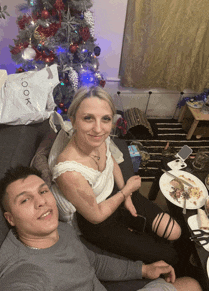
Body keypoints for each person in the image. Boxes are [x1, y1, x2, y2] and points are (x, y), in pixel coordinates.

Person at [0, 166, 202, 291]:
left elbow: (93, 262)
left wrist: (144, 269)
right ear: (10, 218)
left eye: (43, 192)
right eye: (25, 200)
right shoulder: (23, 273)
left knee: (192, 285)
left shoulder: (59, 229)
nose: (41, 202)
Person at [49, 86, 181, 266]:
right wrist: (126, 191)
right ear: (73, 121)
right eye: (88, 118)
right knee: (170, 255)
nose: (98, 129)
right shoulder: (69, 171)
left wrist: (126, 195)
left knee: (175, 231)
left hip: (118, 193)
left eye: (105, 119)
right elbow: (95, 216)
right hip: (100, 223)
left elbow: (111, 162)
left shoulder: (100, 138)